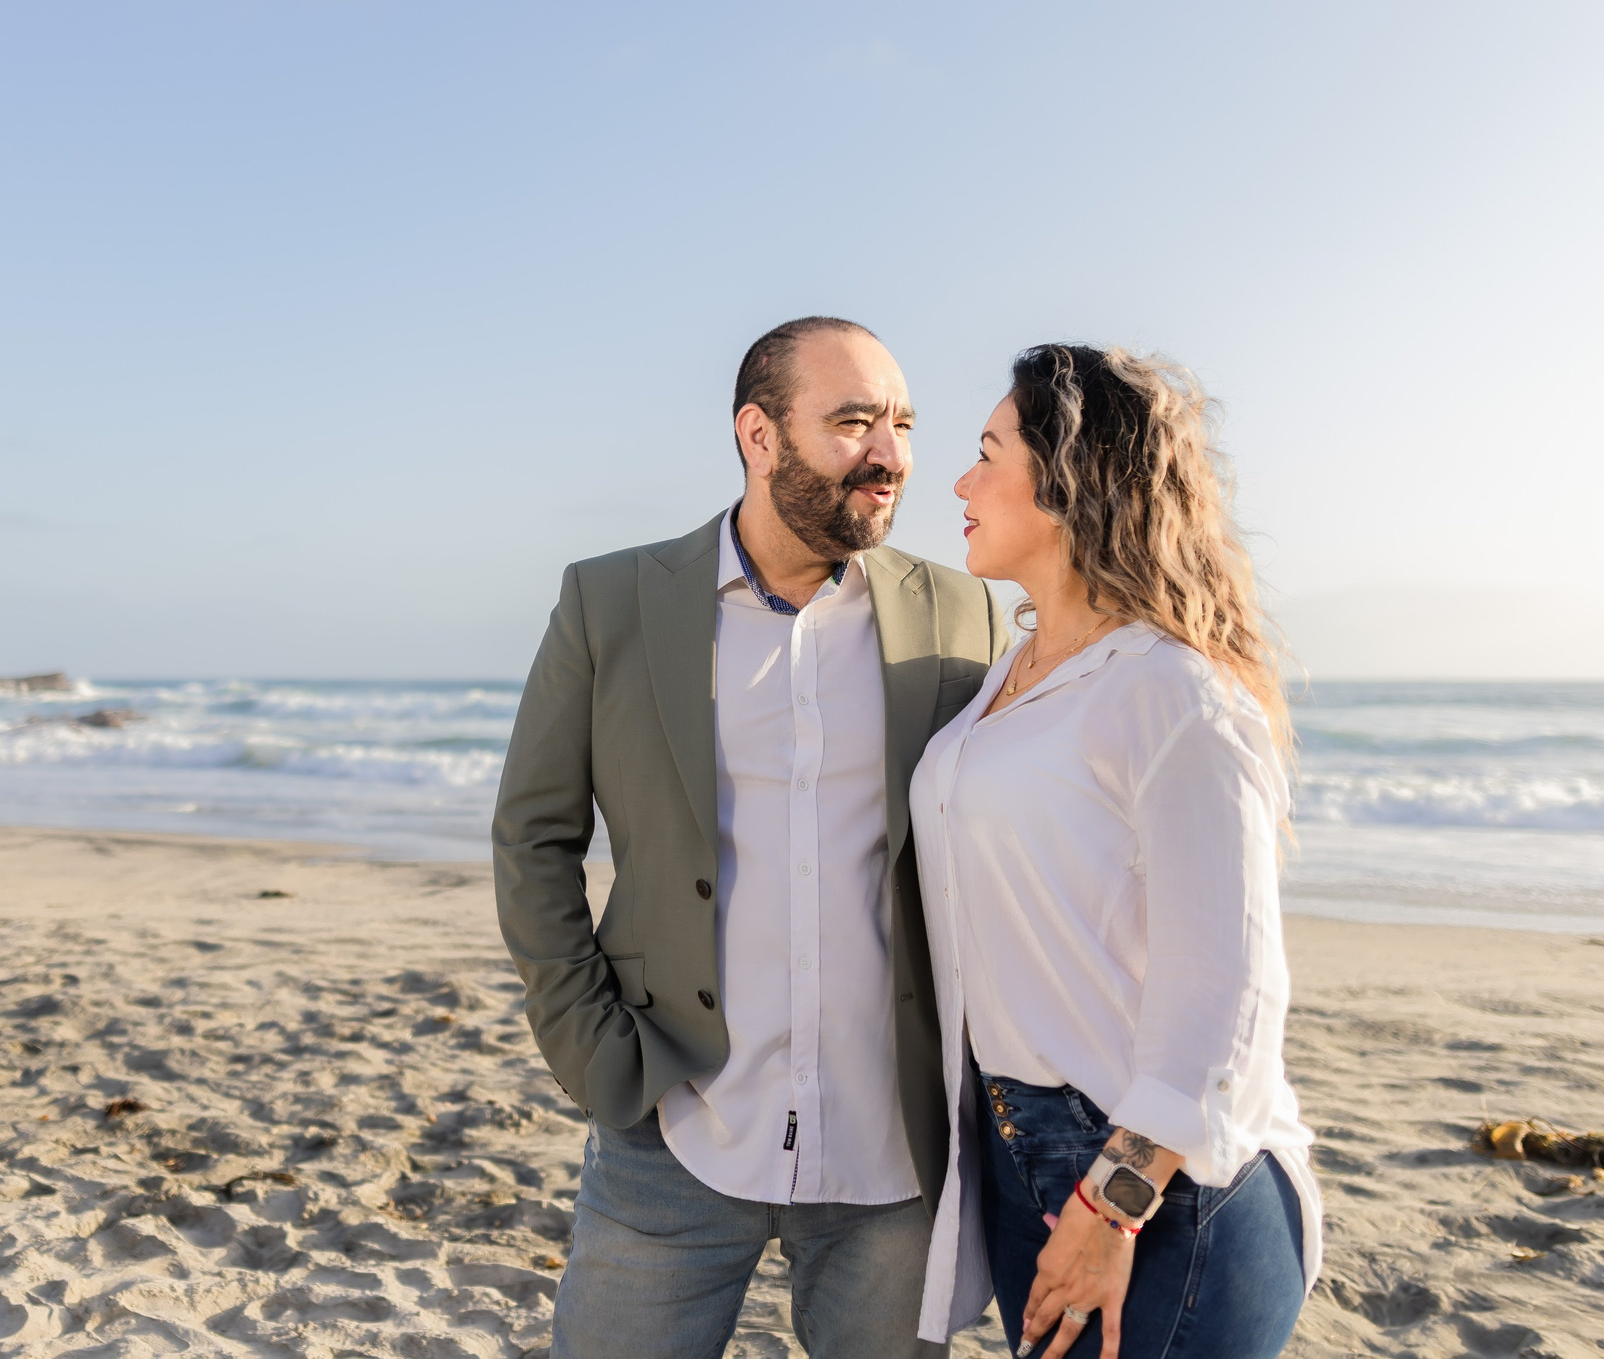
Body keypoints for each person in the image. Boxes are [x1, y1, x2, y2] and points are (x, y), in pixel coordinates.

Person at [495, 317, 1008, 1358]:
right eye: (854, 421)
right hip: (671, 1127)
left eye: (902, 424)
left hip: (894, 1154)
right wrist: (588, 1044)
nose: (890, 455)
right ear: (758, 435)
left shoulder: (964, 615)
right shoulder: (611, 601)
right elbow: (532, 834)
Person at [909, 344, 1322, 1359]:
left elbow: (1230, 988)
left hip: (1149, 1186)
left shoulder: (1172, 692)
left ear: (1069, 479)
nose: (959, 482)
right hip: (1020, 1155)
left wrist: (1114, 1203)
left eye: (988, 452)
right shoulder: (1014, 674)